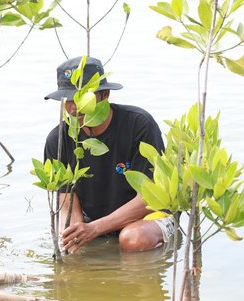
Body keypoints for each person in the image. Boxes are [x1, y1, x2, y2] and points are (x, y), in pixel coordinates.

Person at [44, 56, 174, 253]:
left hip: (148, 217)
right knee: (69, 248)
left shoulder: (139, 125)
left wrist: (95, 228)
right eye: (68, 99)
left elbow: (150, 198)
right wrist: (74, 234)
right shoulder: (58, 140)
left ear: (104, 95)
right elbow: (67, 202)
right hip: (95, 221)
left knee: (132, 239)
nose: (73, 107)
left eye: (81, 98)